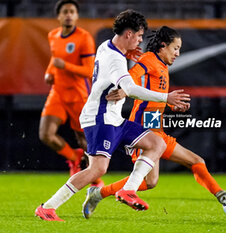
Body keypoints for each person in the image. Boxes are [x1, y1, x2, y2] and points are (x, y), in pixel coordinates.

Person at [81, 26, 226, 219]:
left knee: (161, 177)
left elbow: (152, 100)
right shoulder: (149, 59)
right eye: (175, 48)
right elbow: (134, 74)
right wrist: (123, 89)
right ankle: (98, 194)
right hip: (142, 131)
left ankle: (98, 194)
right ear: (163, 46)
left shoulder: (161, 66)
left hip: (155, 128)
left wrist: (170, 105)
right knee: (185, 166)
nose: (178, 53)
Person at [35, 9, 190, 222]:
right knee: (97, 168)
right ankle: (48, 207)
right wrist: (167, 97)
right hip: (100, 117)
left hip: (114, 117)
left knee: (156, 144)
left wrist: (128, 54)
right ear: (128, 34)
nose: (140, 40)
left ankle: (128, 190)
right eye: (138, 36)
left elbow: (117, 71)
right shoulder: (116, 60)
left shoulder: (106, 46)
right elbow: (131, 88)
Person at [38, 0, 102, 187]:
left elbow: (89, 71)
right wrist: (49, 71)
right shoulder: (53, 36)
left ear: (76, 16)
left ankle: (94, 177)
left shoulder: (84, 38)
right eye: (65, 11)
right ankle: (74, 157)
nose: (68, 14)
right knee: (46, 135)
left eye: (72, 11)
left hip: (78, 93)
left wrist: (64, 66)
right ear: (58, 16)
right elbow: (55, 59)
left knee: (83, 139)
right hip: (57, 92)